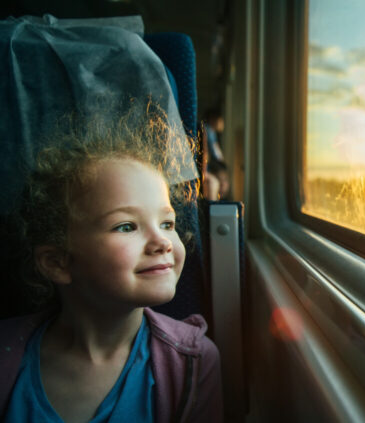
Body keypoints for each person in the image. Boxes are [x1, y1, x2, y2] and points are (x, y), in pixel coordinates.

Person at [0, 108, 223, 423]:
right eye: (127, 226)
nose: (163, 242)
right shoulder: (7, 355)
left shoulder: (195, 362)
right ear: (57, 262)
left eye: (167, 223)